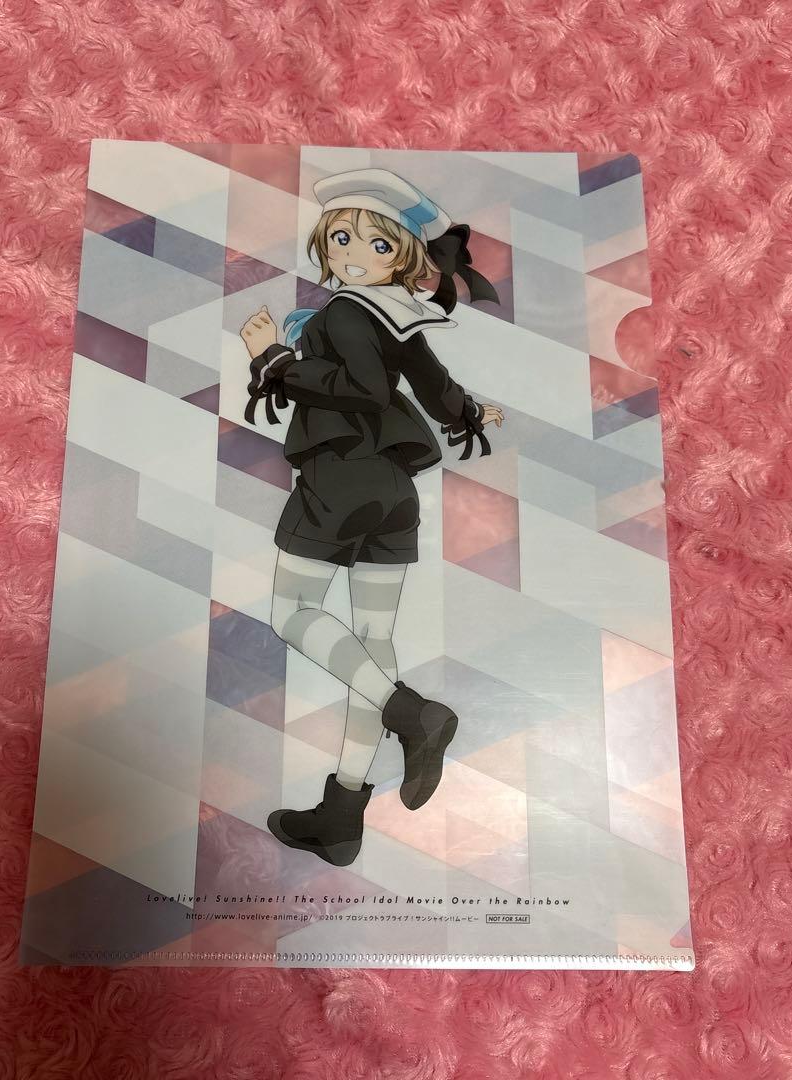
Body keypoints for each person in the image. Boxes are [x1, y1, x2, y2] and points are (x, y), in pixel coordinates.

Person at [239, 168, 504, 867]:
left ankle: (414, 715)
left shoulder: (345, 312)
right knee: (372, 643)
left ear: (403, 257)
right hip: (393, 492)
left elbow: (358, 389)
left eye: (376, 244)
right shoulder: (397, 316)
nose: (353, 253)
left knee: (293, 611)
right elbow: (438, 390)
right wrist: (472, 414)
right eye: (341, 238)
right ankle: (342, 814)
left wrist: (273, 360)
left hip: (340, 478)